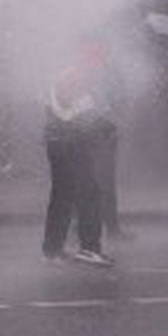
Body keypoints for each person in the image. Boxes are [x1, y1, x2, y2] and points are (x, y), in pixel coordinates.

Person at [43, 43, 113, 267]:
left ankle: (52, 249)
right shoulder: (75, 78)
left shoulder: (68, 75)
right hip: (71, 145)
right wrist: (104, 124)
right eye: (98, 61)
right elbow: (72, 114)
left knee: (62, 198)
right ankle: (89, 248)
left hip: (60, 144)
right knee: (89, 193)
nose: (100, 66)